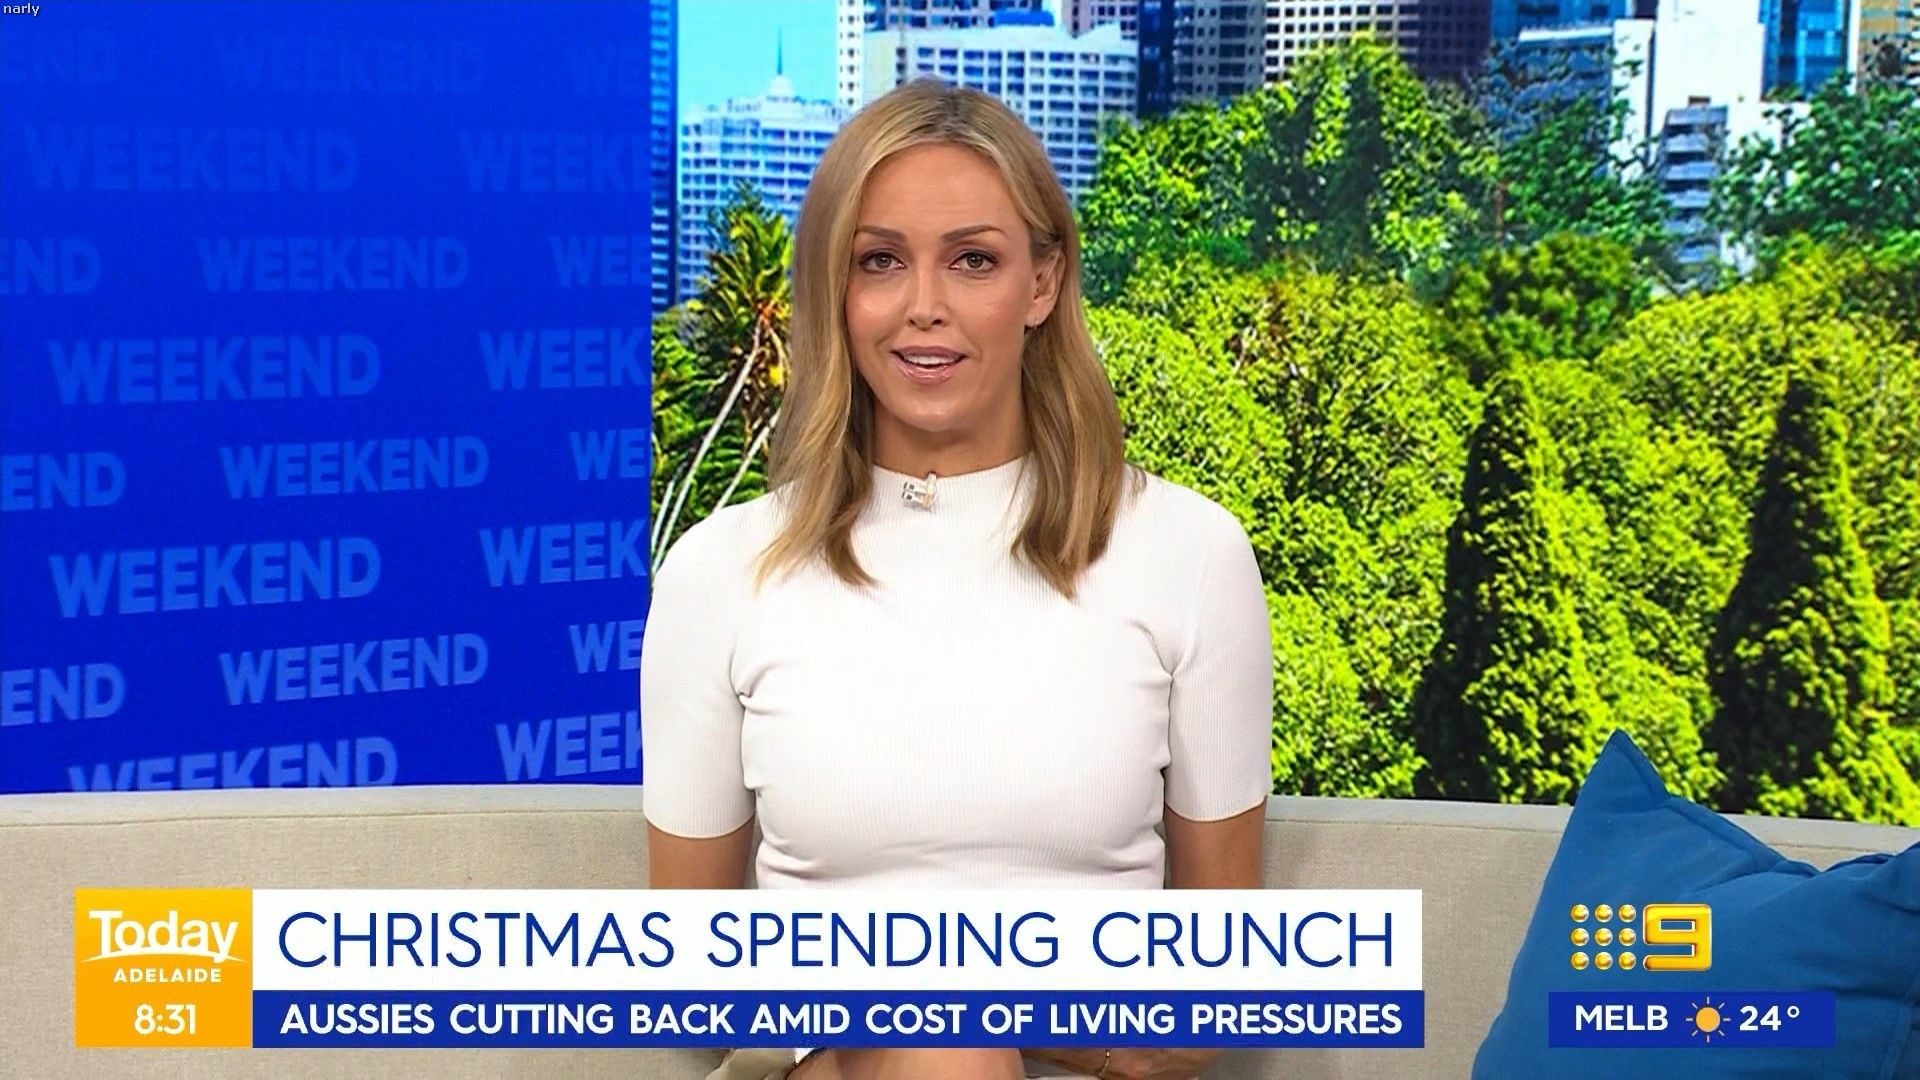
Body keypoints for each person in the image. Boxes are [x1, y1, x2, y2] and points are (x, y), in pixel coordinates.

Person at [641, 78, 1274, 1080]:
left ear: (1042, 283)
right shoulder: (720, 572)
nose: (924, 307)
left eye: (973, 260)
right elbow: (693, 983)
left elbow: (1212, 1003)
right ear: (837, 292)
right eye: (880, 261)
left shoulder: (1189, 554)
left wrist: (968, 1005)